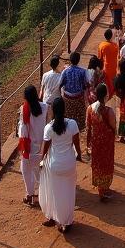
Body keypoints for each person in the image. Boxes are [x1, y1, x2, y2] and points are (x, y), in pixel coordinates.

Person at [38, 96, 81, 233]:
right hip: (69, 163)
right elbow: (77, 144)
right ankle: (66, 222)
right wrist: (79, 155)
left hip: (54, 165)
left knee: (53, 192)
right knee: (68, 193)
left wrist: (41, 160)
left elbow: (45, 149)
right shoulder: (72, 124)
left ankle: (52, 216)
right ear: (64, 109)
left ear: (53, 111)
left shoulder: (48, 128)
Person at [85, 82, 117, 199]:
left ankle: (100, 187)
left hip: (95, 142)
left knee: (97, 164)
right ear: (105, 96)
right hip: (107, 143)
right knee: (106, 163)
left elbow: (88, 127)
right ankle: (105, 188)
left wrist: (88, 143)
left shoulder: (90, 108)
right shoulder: (109, 111)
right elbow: (113, 127)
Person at [17, 84, 46, 206]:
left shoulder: (24, 110)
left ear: (26, 98)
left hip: (29, 148)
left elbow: (22, 131)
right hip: (43, 147)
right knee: (40, 173)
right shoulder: (45, 107)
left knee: (26, 171)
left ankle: (30, 195)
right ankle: (41, 195)